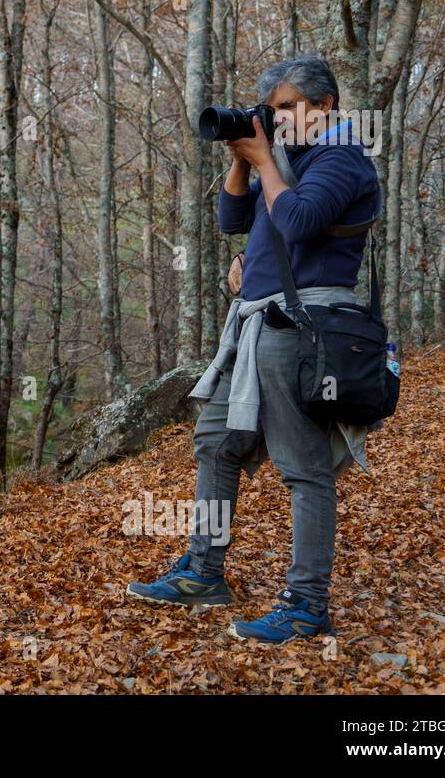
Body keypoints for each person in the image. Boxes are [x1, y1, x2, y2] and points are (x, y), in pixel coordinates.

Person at [125, 54, 381, 643]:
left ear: (325, 107)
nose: (280, 118)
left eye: (290, 107)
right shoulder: (288, 159)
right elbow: (232, 218)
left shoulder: (342, 158)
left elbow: (297, 222)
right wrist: (242, 160)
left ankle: (307, 604)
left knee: (303, 469)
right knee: (215, 444)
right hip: (253, 327)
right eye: (272, 110)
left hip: (300, 328)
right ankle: (202, 574)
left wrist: (266, 159)